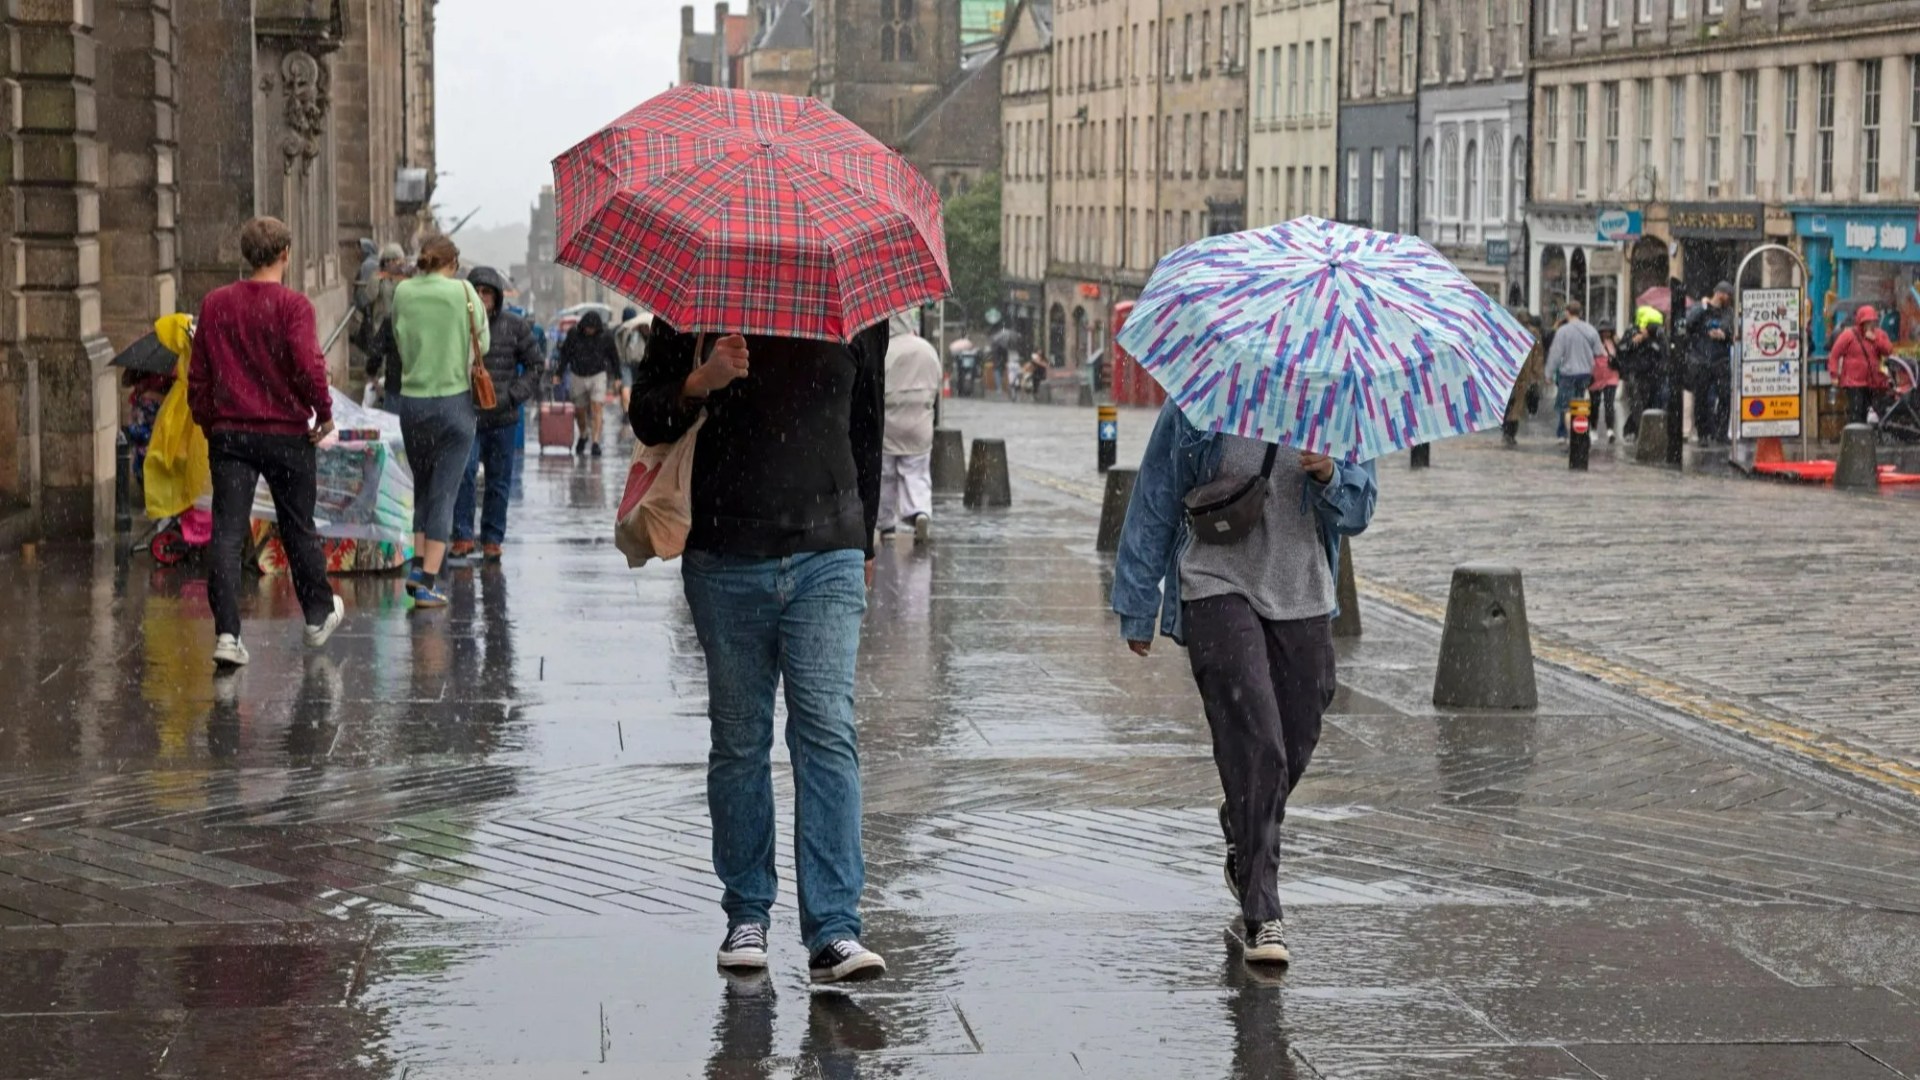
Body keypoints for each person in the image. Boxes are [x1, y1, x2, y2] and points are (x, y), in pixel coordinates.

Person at [631, 318, 891, 985]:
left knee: (827, 730)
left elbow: (867, 423)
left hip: (826, 549)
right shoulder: (698, 298)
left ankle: (834, 929)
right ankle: (747, 913)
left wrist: (863, 536)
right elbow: (648, 414)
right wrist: (702, 380)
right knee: (741, 737)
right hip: (724, 553)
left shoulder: (853, 304)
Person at [1112, 403, 1377, 967]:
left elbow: (1360, 509)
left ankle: (1241, 820)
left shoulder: (1337, 404)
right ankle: (1263, 911)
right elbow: (1157, 491)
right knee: (1257, 741)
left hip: (1302, 591)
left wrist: (1331, 475)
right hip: (1215, 582)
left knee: (1297, 733)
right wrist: (1138, 601)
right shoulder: (1206, 392)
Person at [188, 215, 345, 668]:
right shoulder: (294, 306)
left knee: (228, 531)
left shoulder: (216, 304)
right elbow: (308, 364)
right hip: (285, 434)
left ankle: (227, 634)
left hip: (231, 433)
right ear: (286, 255)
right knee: (298, 525)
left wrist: (209, 420)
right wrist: (324, 410)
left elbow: (198, 374)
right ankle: (316, 614)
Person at [392, 234, 486, 609]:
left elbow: (400, 341)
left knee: (423, 488)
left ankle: (418, 566)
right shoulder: (463, 292)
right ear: (452, 263)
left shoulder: (402, 293)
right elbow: (485, 343)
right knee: (444, 493)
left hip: (412, 402)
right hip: (453, 402)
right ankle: (428, 581)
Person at [451, 266, 542, 563]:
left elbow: (536, 365)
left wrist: (512, 396)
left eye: (487, 292)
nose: (481, 297)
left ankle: (492, 539)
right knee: (463, 476)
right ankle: (463, 536)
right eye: (476, 291)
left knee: (498, 481)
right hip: (467, 415)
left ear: (496, 296)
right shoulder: (458, 326)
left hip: (502, 418)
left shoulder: (515, 326)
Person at [880, 313, 942, 542]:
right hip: (919, 422)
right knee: (917, 472)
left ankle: (887, 526)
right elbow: (936, 382)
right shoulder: (926, 350)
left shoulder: (885, 350)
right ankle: (920, 512)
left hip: (890, 422)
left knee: (885, 476)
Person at [557, 310, 619, 457]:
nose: (589, 331)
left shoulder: (606, 337)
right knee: (580, 411)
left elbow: (614, 357)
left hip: (598, 374)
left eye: (592, 328)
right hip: (577, 374)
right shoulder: (573, 335)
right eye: (587, 328)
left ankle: (596, 442)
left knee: (597, 407)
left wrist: (618, 376)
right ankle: (584, 434)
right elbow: (565, 354)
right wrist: (558, 373)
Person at [1685, 282, 1735, 445]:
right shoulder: (1701, 307)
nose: (1729, 299)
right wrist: (1703, 307)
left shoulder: (1728, 312)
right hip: (1701, 359)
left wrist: (1723, 333)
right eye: (1728, 295)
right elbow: (1689, 323)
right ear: (1721, 294)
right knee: (1702, 398)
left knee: (1725, 396)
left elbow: (1730, 327)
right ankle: (1703, 433)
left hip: (1721, 360)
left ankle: (1721, 433)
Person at [1545, 299, 1602, 442]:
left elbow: (1555, 354)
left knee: (1566, 406)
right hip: (1584, 373)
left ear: (1567, 313)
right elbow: (1599, 351)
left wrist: (1549, 373)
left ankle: (1569, 435)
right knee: (1579, 403)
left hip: (1568, 373)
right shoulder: (1590, 330)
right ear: (1581, 313)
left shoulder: (1563, 331)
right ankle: (1580, 432)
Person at [360, 243, 409, 407]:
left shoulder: (407, 279)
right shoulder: (379, 278)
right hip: (381, 323)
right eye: (391, 260)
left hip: (402, 325)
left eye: (398, 260)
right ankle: (381, 394)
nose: (395, 263)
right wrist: (376, 281)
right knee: (382, 362)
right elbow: (368, 297)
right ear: (385, 262)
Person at [1830, 304, 1894, 427]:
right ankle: (1857, 438)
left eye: (1873, 322)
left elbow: (1888, 350)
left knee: (1874, 412)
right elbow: (1834, 354)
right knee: (1857, 411)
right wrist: (1834, 374)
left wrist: (1875, 340)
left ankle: (1868, 437)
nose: (1870, 325)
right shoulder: (1849, 335)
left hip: (1873, 382)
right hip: (1853, 382)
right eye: (1867, 322)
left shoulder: (1879, 335)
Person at [1620, 305, 1667, 440]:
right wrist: (1633, 342)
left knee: (1648, 404)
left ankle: (1635, 429)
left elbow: (1663, 352)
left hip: (1652, 375)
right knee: (1637, 403)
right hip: (1634, 374)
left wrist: (1649, 340)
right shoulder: (1631, 331)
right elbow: (1622, 349)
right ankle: (1638, 431)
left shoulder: (1658, 336)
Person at [1591, 325, 1621, 444]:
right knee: (1594, 405)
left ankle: (1610, 430)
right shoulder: (1594, 343)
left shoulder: (1615, 343)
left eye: (1608, 332)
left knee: (1609, 404)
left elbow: (1621, 355)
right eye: (1603, 332)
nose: (1606, 334)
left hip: (1611, 377)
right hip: (1596, 377)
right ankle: (1593, 429)